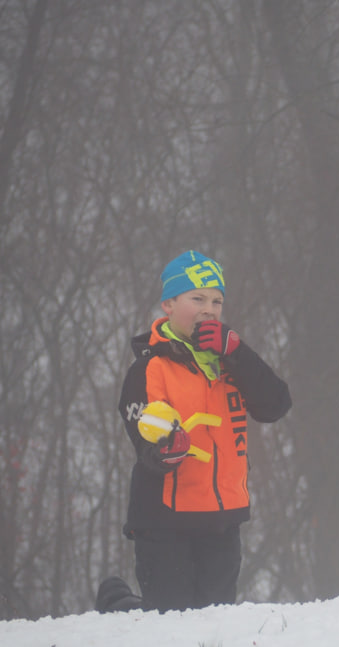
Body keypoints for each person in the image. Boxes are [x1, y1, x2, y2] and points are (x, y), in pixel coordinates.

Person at [97, 250, 291, 613]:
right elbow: (144, 444)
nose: (209, 309)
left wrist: (237, 350)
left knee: (211, 626)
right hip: (164, 522)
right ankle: (117, 605)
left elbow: (276, 405)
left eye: (217, 301)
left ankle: (123, 605)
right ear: (168, 303)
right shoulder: (150, 368)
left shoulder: (231, 363)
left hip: (223, 521)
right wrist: (164, 453)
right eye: (197, 298)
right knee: (171, 625)